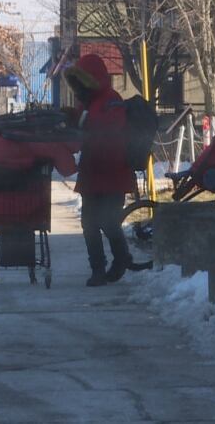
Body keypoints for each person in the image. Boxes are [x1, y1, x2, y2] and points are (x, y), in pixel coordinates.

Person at [64, 53, 135, 287]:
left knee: (108, 221)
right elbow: (83, 132)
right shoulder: (88, 103)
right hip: (94, 171)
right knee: (89, 223)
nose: (79, 88)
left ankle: (121, 259)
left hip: (113, 171)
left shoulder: (110, 100)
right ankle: (97, 268)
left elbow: (111, 129)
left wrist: (85, 126)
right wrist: (70, 120)